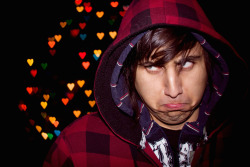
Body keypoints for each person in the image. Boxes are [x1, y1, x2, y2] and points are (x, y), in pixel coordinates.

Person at [43, 0, 248, 166]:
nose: (173, 90)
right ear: (128, 72)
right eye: (152, 66)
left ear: (210, 63)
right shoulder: (80, 149)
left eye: (186, 63)